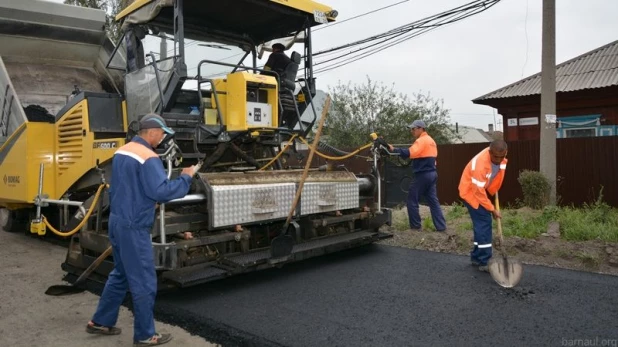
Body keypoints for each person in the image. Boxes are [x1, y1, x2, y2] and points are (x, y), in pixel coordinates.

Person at [85, 113, 198, 346]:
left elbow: (130, 186)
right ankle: (145, 335)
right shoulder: (149, 157)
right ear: (152, 132)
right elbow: (162, 192)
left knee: (121, 274)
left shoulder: (123, 151)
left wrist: (147, 201)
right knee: (144, 281)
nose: (163, 138)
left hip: (117, 221)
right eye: (163, 134)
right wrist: (186, 178)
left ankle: (101, 321)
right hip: (134, 227)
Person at [387, 120, 447, 232]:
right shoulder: (431, 140)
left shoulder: (421, 141)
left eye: (413, 129)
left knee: (412, 200)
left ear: (420, 128)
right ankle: (441, 227)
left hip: (422, 175)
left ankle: (415, 227)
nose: (411, 131)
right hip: (432, 174)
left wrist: (393, 149)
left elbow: (410, 153)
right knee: (433, 202)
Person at [458, 139, 508, 272]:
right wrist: (492, 209)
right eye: (495, 157)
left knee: (480, 224)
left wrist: (493, 188)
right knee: (484, 223)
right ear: (489, 152)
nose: (498, 160)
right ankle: (485, 261)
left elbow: (495, 176)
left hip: (479, 191)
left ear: (505, 153)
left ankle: (476, 257)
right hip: (470, 193)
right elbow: (478, 193)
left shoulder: (501, 159)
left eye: (501, 157)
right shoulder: (480, 164)